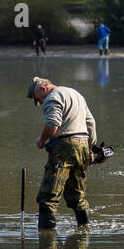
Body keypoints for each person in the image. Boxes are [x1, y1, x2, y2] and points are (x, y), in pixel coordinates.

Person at [27, 76, 96, 231]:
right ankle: (84, 234)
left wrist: (41, 140)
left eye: (38, 99)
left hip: (64, 148)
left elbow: (52, 124)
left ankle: (47, 246)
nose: (40, 103)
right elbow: (90, 123)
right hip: (83, 145)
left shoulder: (52, 98)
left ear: (42, 89)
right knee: (77, 197)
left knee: (47, 198)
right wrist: (90, 149)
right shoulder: (75, 94)